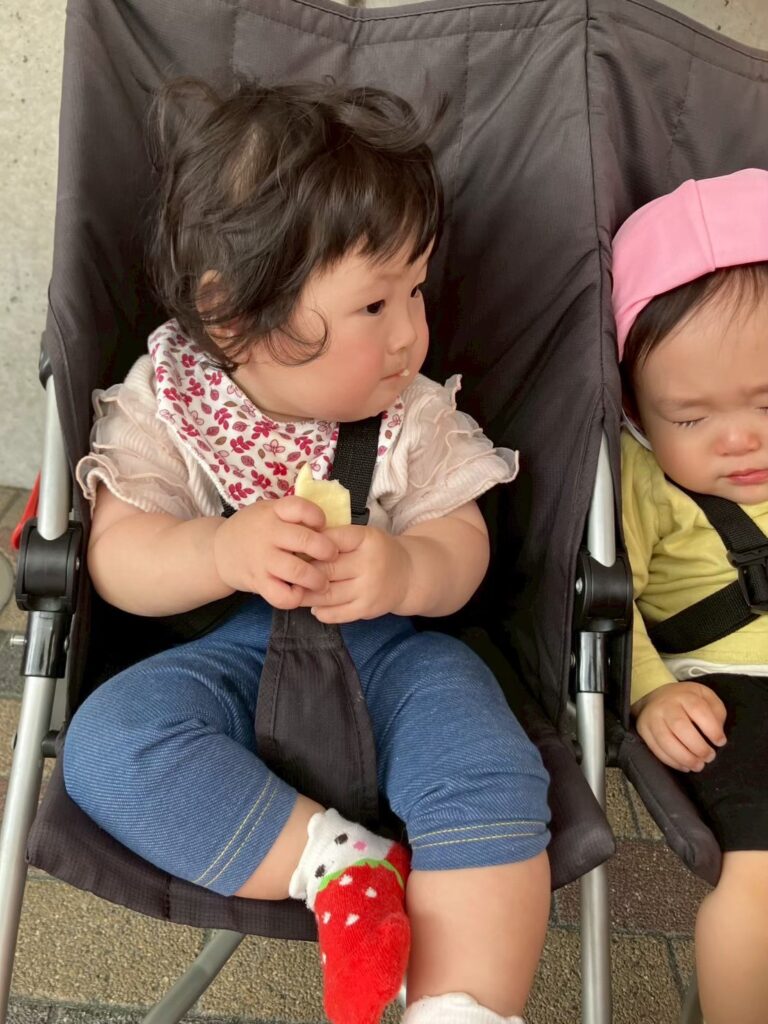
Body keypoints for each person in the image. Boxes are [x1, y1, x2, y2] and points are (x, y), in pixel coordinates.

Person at [63, 78, 551, 1024]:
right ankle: (339, 866)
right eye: (373, 306)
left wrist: (407, 567)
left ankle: (461, 1007)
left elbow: (463, 544)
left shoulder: (413, 419)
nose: (409, 333)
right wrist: (218, 551)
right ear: (234, 317)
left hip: (396, 659)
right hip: (226, 663)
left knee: (491, 771)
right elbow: (117, 560)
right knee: (107, 748)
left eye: (415, 289)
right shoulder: (171, 404)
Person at [613, 167, 768, 1024]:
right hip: (728, 693)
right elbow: (610, 600)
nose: (741, 438)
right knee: (763, 874)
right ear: (638, 410)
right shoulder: (642, 481)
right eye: (692, 418)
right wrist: (651, 693)